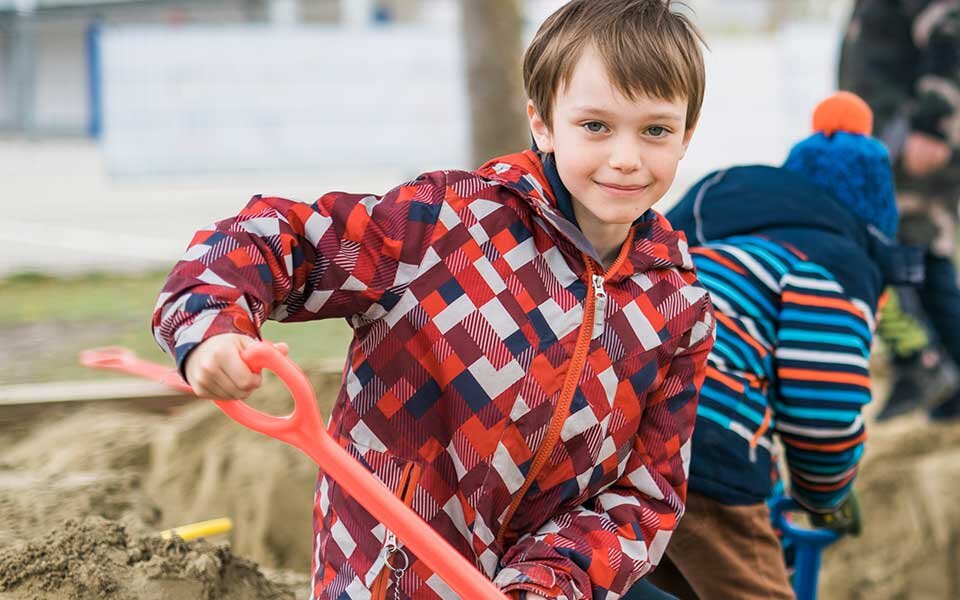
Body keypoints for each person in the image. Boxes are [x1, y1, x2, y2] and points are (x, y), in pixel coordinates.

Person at [150, 2, 713, 597]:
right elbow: (276, 240)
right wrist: (211, 324)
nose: (626, 158)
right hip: (389, 579)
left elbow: (643, 496)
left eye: (655, 130)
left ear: (686, 137)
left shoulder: (677, 307)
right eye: (595, 126)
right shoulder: (441, 228)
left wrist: (546, 584)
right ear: (543, 123)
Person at [642, 92, 904, 599]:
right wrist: (825, 492)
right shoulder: (833, 262)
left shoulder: (713, 243)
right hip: (699, 440)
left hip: (609, 427)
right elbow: (822, 404)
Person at [837, 0, 960, 423]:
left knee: (894, 253)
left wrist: (931, 123)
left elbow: (951, 33)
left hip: (916, 136)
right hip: (895, 133)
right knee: (920, 261)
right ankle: (939, 389)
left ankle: (930, 374)